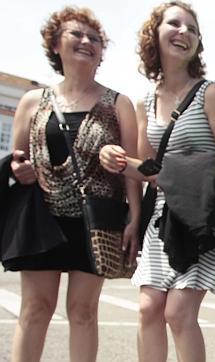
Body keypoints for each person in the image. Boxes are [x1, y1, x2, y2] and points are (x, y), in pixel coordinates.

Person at [98, 2, 215, 360]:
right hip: (162, 216)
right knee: (148, 309)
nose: (184, 32)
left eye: (192, 29)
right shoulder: (145, 101)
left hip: (202, 215)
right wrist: (116, 161)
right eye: (175, 24)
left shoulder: (210, 93)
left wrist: (186, 174)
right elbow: (150, 169)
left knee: (178, 313)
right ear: (155, 34)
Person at [7, 6, 140, 361]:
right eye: (76, 35)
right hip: (41, 216)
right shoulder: (33, 101)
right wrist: (18, 167)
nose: (86, 42)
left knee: (83, 311)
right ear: (55, 45)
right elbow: (16, 158)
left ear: (101, 52)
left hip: (96, 217)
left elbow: (132, 166)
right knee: (35, 308)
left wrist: (134, 219)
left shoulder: (118, 103)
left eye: (94, 38)